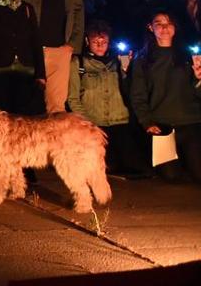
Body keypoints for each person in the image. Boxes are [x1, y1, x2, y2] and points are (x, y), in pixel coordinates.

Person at [68, 21, 151, 178]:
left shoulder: (117, 62)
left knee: (139, 167)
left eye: (104, 42)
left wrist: (126, 70)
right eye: (95, 42)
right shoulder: (78, 63)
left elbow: (131, 91)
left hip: (119, 121)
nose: (100, 46)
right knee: (106, 165)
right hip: (94, 123)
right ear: (87, 41)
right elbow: (73, 98)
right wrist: (86, 123)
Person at [18, 0, 84, 114]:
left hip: (59, 47)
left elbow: (77, 6)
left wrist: (72, 43)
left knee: (57, 106)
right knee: (29, 106)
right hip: (31, 47)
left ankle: (54, 143)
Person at [129, 11, 201, 182]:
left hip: (191, 121)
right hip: (162, 124)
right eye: (158, 23)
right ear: (150, 27)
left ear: (175, 27)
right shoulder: (142, 59)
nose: (164, 28)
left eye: (168, 23)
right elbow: (137, 94)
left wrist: (199, 80)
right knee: (171, 176)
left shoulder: (189, 56)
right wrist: (146, 122)